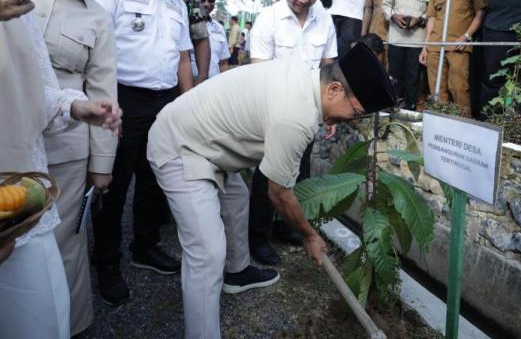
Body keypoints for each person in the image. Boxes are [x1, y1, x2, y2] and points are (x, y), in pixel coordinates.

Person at [147, 42, 395, 339]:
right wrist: (310, 235)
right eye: (355, 112)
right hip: (181, 146)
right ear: (334, 90)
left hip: (208, 142)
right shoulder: (297, 115)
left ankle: (237, 272)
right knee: (207, 253)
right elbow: (278, 194)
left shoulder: (302, 74)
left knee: (237, 200)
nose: (349, 121)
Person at [0, 0, 121, 339]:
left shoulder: (20, 0)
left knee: (42, 308)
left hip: (21, 188)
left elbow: (34, 91)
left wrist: (75, 106)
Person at [87, 0, 198, 306]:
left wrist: (187, 106)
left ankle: (145, 246)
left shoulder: (177, 3)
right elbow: (93, 46)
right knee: (112, 184)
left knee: (156, 179)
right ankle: (106, 261)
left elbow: (183, 57)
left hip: (164, 102)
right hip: (121, 99)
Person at [28, 0, 118, 333]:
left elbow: (103, 92)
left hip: (64, 152)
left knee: (63, 245)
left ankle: (71, 325)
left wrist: (102, 166)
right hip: (9, 139)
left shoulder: (98, 18)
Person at [248, 0, 337, 265]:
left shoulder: (324, 20)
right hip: (274, 113)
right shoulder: (267, 19)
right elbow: (259, 73)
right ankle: (257, 238)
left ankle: (285, 227)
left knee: (300, 175)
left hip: (309, 113)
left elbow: (328, 70)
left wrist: (328, 111)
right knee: (267, 178)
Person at [419, 0, 488, 114]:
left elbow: (480, 14)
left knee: (459, 89)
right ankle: (440, 127)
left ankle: (463, 128)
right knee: (437, 91)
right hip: (435, 46)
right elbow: (432, 19)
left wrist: (466, 36)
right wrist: (425, 46)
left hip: (458, 46)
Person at [383, 0, 436, 110]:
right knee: (393, 77)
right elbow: (385, 5)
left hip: (417, 41)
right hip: (396, 39)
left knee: (413, 79)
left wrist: (419, 19)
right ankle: (391, 110)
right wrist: (393, 15)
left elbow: (433, 12)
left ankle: (410, 111)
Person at [189, 0, 229, 79]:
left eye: (211, 0)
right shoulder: (183, 25)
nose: (207, 4)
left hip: (214, 89)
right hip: (189, 89)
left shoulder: (219, 28)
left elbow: (223, 63)